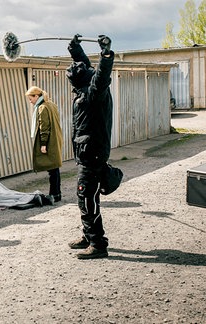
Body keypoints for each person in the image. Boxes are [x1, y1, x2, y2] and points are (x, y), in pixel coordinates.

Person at [65, 34, 115, 259]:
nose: (75, 69)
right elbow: (86, 67)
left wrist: (106, 55)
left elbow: (102, 75)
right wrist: (75, 49)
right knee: (84, 196)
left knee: (86, 196)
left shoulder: (95, 92)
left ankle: (97, 243)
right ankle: (89, 235)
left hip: (93, 154)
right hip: (87, 154)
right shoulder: (86, 87)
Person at [25, 86, 63, 202]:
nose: (30, 101)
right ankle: (57, 193)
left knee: (52, 169)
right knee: (54, 168)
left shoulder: (42, 108)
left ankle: (54, 194)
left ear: (36, 96)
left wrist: (43, 144)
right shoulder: (51, 104)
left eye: (30, 98)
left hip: (50, 141)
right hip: (56, 138)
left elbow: (44, 127)